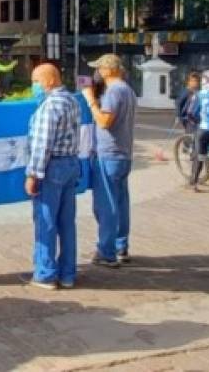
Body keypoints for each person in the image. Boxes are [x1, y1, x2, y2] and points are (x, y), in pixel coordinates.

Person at [25, 64, 81, 290]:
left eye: (35, 81)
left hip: (51, 167)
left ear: (48, 81)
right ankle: (68, 273)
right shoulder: (72, 101)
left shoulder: (50, 106)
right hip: (70, 164)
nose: (34, 86)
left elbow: (42, 145)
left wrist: (32, 174)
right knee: (67, 222)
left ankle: (45, 273)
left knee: (46, 221)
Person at [82, 53, 137, 268]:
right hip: (123, 153)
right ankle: (120, 245)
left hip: (109, 153)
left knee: (106, 205)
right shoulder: (128, 90)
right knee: (121, 203)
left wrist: (91, 101)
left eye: (98, 69)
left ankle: (107, 251)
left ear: (107, 70)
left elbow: (105, 121)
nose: (96, 73)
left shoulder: (114, 91)